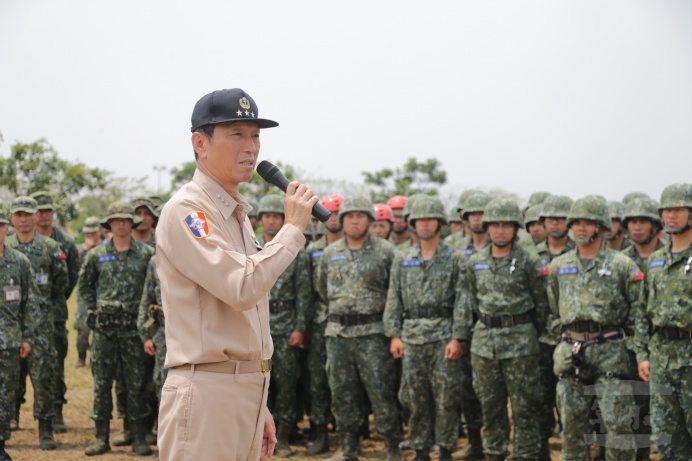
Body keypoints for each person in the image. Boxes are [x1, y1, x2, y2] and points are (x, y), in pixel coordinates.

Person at [155, 88, 317, 461]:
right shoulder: (188, 211)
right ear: (201, 143)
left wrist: (257, 401)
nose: (251, 147)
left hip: (243, 389)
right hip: (208, 390)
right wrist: (291, 231)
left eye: (256, 135)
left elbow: (245, 316)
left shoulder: (236, 214)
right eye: (237, 134)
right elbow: (242, 287)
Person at [546, 196, 643, 460]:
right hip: (571, 354)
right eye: (576, 223)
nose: (580, 228)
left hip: (610, 352)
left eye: (587, 223)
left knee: (618, 427)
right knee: (571, 429)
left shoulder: (621, 265)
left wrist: (635, 350)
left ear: (600, 227)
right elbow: (554, 310)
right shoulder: (559, 267)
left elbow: (638, 312)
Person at [460, 198, 548, 461]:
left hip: (521, 343)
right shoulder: (475, 262)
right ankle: (494, 453)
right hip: (485, 345)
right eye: (494, 225)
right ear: (486, 228)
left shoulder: (529, 261)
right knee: (491, 407)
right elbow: (471, 302)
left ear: (516, 229)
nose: (500, 230)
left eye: (506, 225)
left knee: (525, 408)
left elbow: (541, 303)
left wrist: (534, 335)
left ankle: (526, 455)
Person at [318, 196, 402, 461]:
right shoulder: (330, 254)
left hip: (373, 333)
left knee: (381, 392)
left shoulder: (387, 251)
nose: (355, 221)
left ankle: (392, 446)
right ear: (342, 220)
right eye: (350, 216)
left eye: (360, 216)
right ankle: (348, 446)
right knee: (342, 393)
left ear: (370, 219)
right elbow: (322, 289)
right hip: (338, 334)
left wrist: (392, 332)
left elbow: (395, 293)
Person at [383, 195, 464, 461]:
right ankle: (420, 448)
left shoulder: (455, 258)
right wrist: (394, 335)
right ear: (412, 223)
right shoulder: (403, 258)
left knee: (446, 398)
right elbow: (394, 297)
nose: (425, 224)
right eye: (419, 220)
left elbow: (463, 300)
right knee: (414, 397)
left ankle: (446, 448)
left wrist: (458, 337)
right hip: (412, 336)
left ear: (440, 223)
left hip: (444, 336)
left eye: (430, 219)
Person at [79, 201, 155, 456]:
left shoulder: (145, 255)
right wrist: (91, 315)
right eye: (117, 220)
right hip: (104, 332)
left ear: (132, 224)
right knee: (102, 384)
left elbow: (152, 290)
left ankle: (139, 437)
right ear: (109, 224)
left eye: (126, 220)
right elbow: (86, 288)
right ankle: (101, 437)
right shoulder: (96, 255)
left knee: (136, 384)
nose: (122, 224)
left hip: (134, 332)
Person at [634, 183, 692, 460]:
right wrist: (643, 355)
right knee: (668, 439)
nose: (671, 215)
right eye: (667, 210)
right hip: (661, 359)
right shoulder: (655, 261)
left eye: (679, 209)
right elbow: (643, 312)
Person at [6, 196, 68, 450]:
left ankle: (45, 428)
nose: (23, 219)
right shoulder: (4, 245)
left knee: (44, 377)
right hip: (9, 323)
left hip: (42, 324)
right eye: (18, 214)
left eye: (27, 214)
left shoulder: (50, 247)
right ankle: (9, 420)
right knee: (10, 376)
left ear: (35, 217)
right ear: (12, 218)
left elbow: (62, 283)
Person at [256, 194, 312, 457]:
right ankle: (258, 435)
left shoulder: (296, 254)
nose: (270, 220)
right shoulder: (250, 248)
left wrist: (300, 328)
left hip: (287, 326)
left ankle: (285, 436)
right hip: (260, 328)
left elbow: (304, 296)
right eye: (266, 216)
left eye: (276, 216)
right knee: (260, 386)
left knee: (288, 385)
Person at [30, 190, 79, 434]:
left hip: (55, 313)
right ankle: (14, 411)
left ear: (53, 213)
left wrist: (57, 300)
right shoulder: (16, 240)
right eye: (39, 211)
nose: (43, 215)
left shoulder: (66, 243)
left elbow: (70, 277)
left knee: (55, 364)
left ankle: (56, 411)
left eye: (48, 210)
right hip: (23, 316)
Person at [0, 209, 41, 461]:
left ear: (6, 229)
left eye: (0, 226)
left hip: (10, 342)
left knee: (5, 395)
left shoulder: (19, 262)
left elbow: (31, 303)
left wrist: (27, 338)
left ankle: (1, 443)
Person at [304, 194, 344, 455]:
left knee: (344, 381)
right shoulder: (312, 252)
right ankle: (320, 433)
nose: (332, 219)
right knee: (317, 381)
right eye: (327, 213)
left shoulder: (354, 249)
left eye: (338, 213)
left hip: (346, 324)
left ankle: (347, 435)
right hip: (319, 324)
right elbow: (308, 291)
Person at [75, 216, 104, 368]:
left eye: (94, 233)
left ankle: (96, 357)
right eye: (88, 233)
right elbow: (75, 271)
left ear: (100, 231)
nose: (91, 236)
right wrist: (86, 251)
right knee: (82, 328)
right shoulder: (80, 250)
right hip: (84, 297)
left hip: (101, 294)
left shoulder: (105, 249)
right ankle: (81, 357)